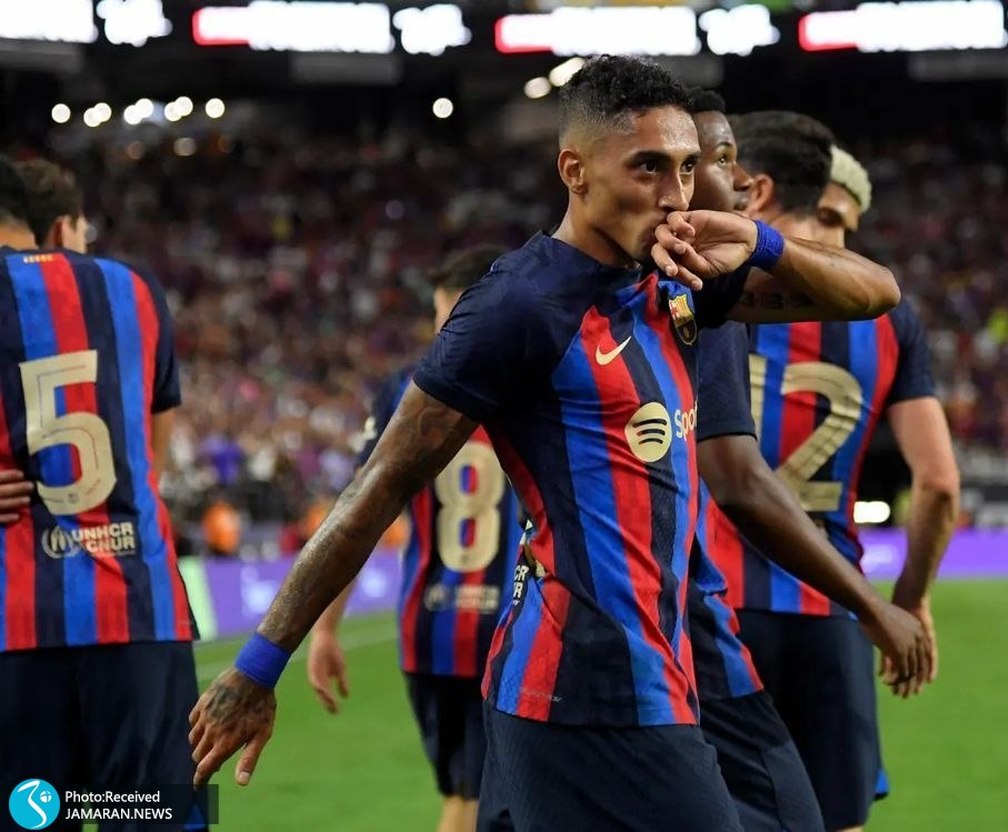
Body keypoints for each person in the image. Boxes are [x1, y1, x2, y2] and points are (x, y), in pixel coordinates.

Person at [189, 56, 926, 831]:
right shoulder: (518, 306)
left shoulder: (677, 280)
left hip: (669, 660)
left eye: (685, 168)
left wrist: (757, 239)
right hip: (589, 682)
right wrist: (258, 667)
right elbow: (379, 486)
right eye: (648, 168)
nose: (676, 194)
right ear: (574, 170)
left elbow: (877, 294)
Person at [684, 89, 932, 832]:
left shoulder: (686, 285)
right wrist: (903, 601)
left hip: (710, 601)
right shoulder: (884, 320)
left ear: (755, 188)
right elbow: (940, 483)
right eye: (832, 219)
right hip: (831, 605)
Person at [0, 155, 206, 830]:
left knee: (34, 816)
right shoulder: (132, 289)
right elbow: (153, 456)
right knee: (147, 817)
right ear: (60, 226)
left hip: (15, 627)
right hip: (138, 614)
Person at [306, 244, 522, 832]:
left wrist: (325, 627)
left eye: (443, 316)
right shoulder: (533, 376)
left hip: (428, 632)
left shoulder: (408, 387)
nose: (438, 332)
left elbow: (360, 512)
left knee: (466, 797)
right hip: (507, 630)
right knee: (485, 804)